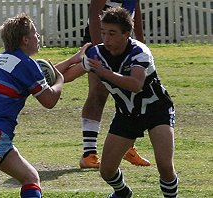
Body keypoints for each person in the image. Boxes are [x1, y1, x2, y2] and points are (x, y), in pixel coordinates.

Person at [0, 13, 64, 198]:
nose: (38, 36)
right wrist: (60, 81)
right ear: (25, 39)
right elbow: (49, 101)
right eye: (35, 33)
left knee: (30, 177)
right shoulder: (26, 64)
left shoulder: (3, 58)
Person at [82, 7, 178, 197]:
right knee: (107, 171)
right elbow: (71, 71)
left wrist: (105, 73)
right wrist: (49, 78)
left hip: (156, 111)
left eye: (112, 33)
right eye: (103, 32)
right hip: (127, 114)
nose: (106, 38)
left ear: (127, 33)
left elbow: (135, 84)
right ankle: (123, 193)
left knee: (165, 166)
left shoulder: (139, 51)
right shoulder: (96, 54)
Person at [56, 0, 150, 169]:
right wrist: (102, 49)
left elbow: (135, 10)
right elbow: (94, 14)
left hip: (122, 40)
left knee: (129, 94)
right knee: (98, 94)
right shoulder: (101, 44)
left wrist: (141, 43)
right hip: (102, 38)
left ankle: (127, 146)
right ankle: (89, 154)